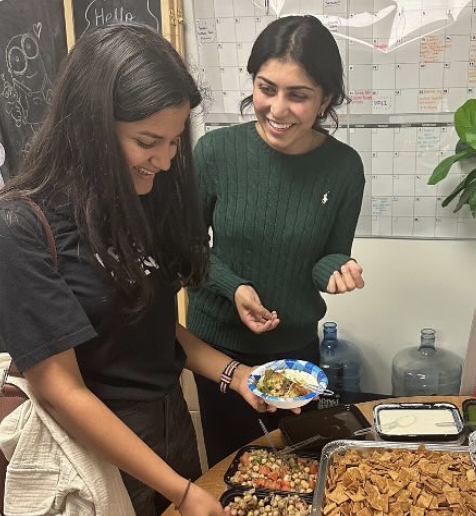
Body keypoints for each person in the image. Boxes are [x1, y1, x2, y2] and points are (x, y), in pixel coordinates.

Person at [0, 23, 276, 516]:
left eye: (173, 142)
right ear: (90, 128)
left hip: (169, 419)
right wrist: (184, 491)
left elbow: (147, 326)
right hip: (93, 440)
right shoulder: (22, 225)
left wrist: (238, 377)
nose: (166, 161)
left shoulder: (140, 198)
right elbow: (60, 391)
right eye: (149, 141)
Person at [187, 15, 366, 467]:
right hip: (218, 349)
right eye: (266, 88)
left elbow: (329, 254)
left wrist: (338, 271)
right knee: (231, 471)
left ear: (326, 98)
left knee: (297, 470)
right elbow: (184, 247)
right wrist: (236, 288)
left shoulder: (344, 168)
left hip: (295, 356)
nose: (277, 109)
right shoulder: (215, 152)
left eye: (298, 95)